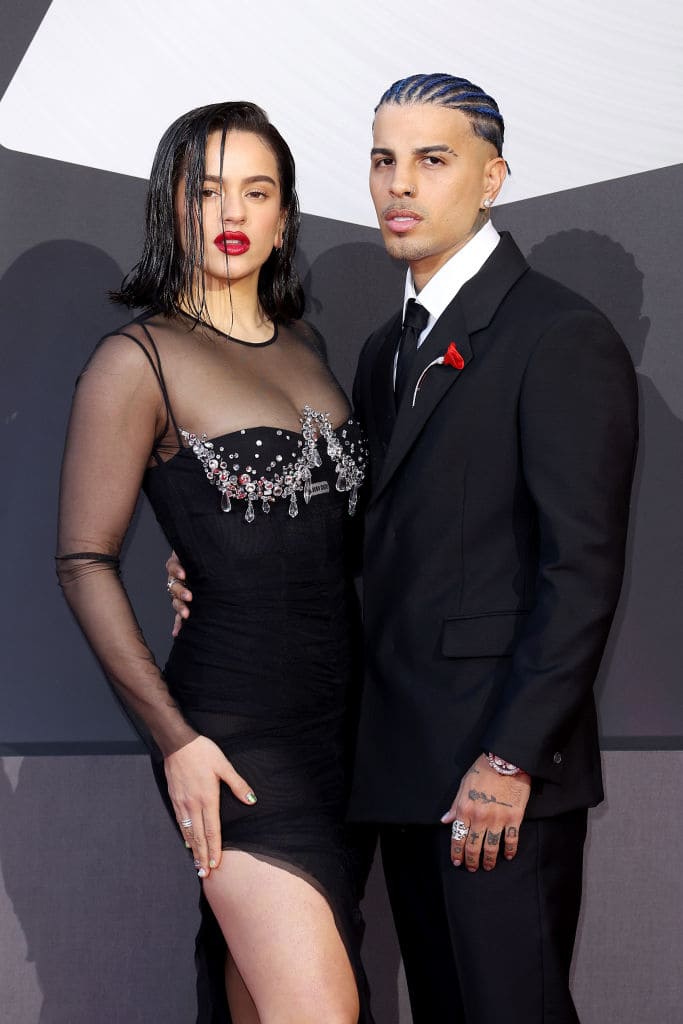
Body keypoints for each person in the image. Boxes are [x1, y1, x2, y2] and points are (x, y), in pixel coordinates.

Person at [168, 75, 639, 1023]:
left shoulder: (560, 336)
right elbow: (365, 536)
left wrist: (509, 761)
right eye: (384, 160)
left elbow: (579, 573)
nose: (399, 185)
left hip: (497, 775)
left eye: (432, 159)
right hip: (393, 763)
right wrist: (223, 566)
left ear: (492, 177)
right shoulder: (384, 348)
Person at [56, 101, 373, 1024]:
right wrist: (177, 743)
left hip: (345, 730)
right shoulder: (137, 360)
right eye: (206, 189)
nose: (231, 210)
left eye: (256, 189)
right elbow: (82, 561)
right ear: (172, 208)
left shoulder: (307, 348)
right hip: (231, 739)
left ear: (284, 216)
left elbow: (322, 536)